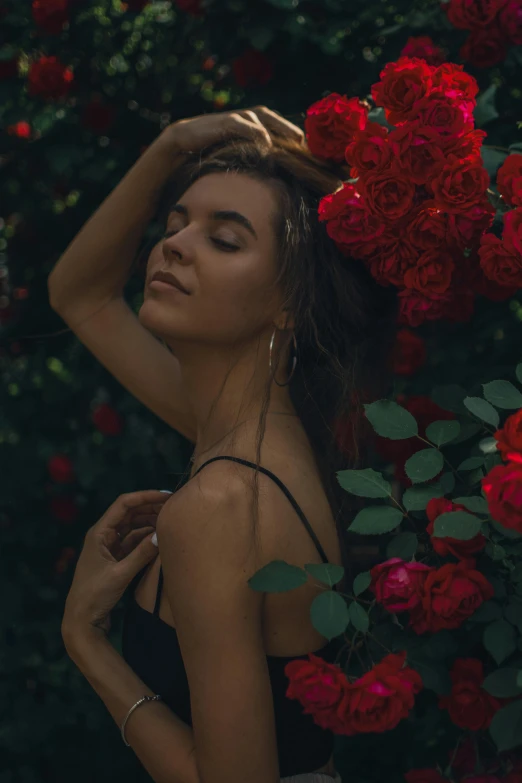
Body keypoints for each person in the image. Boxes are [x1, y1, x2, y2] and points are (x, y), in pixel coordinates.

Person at [51, 107, 398, 783]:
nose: (174, 244)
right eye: (175, 223)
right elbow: (80, 294)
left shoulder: (219, 502)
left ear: (290, 302)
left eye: (225, 240)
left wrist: (85, 641)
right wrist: (173, 143)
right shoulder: (267, 437)